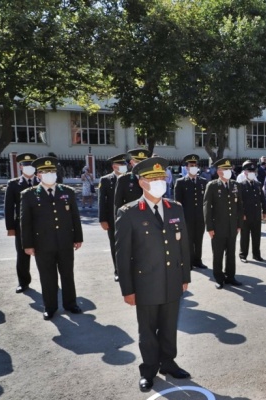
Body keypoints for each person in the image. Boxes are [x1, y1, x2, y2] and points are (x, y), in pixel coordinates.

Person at [115, 157, 192, 392]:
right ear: (141, 183)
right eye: (153, 179)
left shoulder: (175, 208)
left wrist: (185, 277)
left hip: (171, 279)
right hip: (145, 282)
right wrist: (127, 290)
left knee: (169, 326)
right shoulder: (128, 213)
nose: (160, 182)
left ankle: (168, 363)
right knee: (147, 329)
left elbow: (184, 247)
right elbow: (122, 256)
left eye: (162, 178)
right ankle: (148, 368)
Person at [20, 156, 83, 320]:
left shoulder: (67, 192)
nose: (50, 174)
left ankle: (70, 303)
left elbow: (75, 217)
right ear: (38, 174)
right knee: (47, 277)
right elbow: (25, 223)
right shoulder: (29, 194)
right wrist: (27, 244)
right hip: (42, 244)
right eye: (46, 172)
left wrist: (78, 237)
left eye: (52, 171)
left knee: (67, 274)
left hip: (65, 241)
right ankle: (50, 307)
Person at [203, 158, 243, 288]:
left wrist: (239, 224)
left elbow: (239, 206)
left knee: (231, 253)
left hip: (232, 226)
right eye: (225, 169)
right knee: (218, 254)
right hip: (218, 227)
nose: (228, 171)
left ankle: (230, 276)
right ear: (219, 171)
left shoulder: (235, 185)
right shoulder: (213, 185)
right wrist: (209, 227)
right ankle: (219, 278)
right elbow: (207, 207)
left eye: (229, 169)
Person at [4, 153, 39, 293]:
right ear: (20, 167)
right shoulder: (13, 184)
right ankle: (23, 282)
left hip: (41, 225)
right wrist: (10, 227)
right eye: (25, 165)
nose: (28, 168)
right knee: (22, 255)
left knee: (45, 254)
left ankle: (49, 280)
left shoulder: (41, 182)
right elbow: (8, 207)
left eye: (31, 165)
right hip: (22, 226)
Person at [174, 154, 209, 269]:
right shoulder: (180, 182)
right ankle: (188, 262)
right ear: (187, 167)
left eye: (195, 165)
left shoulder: (203, 182)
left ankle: (197, 260)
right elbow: (177, 203)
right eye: (191, 165)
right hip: (187, 217)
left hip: (200, 217)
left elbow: (206, 202)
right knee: (188, 240)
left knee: (199, 239)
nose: (194, 167)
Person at [98, 153, 128, 282]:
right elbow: (101, 201)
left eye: (124, 164)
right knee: (115, 245)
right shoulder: (106, 180)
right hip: (112, 218)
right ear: (114, 166)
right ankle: (118, 270)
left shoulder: (130, 179)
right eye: (120, 164)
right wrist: (102, 219)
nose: (123, 166)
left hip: (129, 217)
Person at [238, 161, 266, 263]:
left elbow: (263, 199)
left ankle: (256, 254)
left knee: (256, 236)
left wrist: (265, 212)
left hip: (256, 214)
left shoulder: (258, 184)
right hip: (246, 215)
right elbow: (239, 202)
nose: (251, 172)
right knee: (244, 236)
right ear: (245, 172)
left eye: (253, 171)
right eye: (249, 171)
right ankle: (243, 255)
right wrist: (242, 214)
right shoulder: (241, 185)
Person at [114, 148, 151, 217]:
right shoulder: (123, 179)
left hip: (149, 218)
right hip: (131, 219)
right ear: (132, 162)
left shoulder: (152, 178)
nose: (140, 164)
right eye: (137, 161)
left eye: (143, 162)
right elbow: (118, 204)